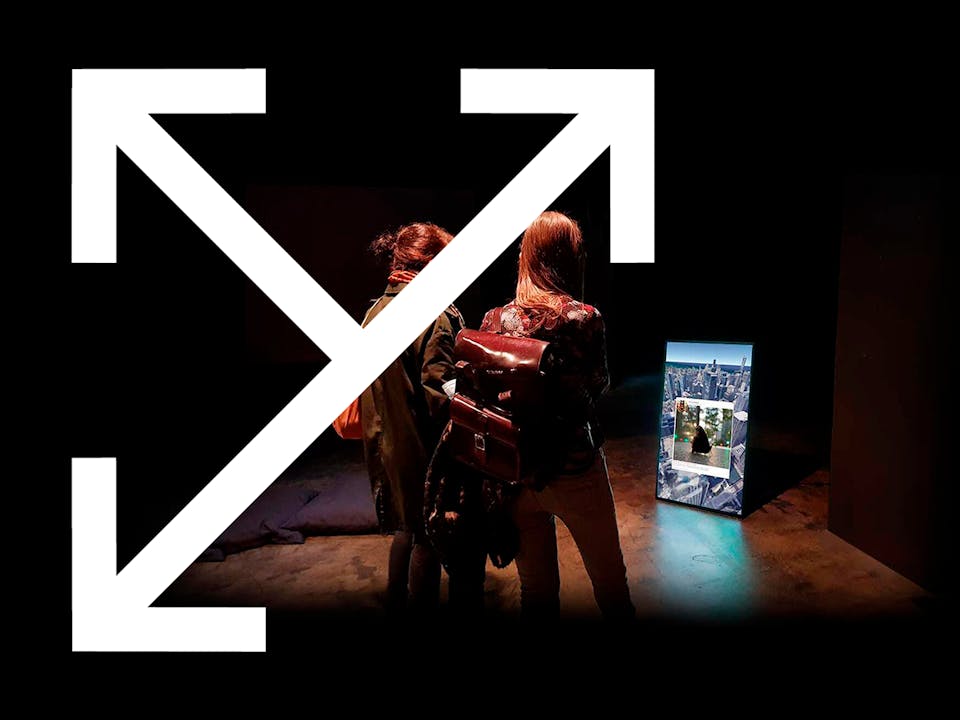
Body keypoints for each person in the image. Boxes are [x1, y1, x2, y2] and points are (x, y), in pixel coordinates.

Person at [479, 210, 634, 620]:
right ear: (569, 257)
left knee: (536, 594)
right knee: (611, 588)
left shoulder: (493, 319)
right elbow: (599, 383)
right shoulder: (583, 318)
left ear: (528, 256)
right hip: (574, 468)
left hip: (516, 472)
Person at [360, 222, 464, 616]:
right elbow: (440, 397)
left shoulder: (374, 312)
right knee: (428, 537)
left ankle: (394, 600)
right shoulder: (433, 316)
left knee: (406, 527)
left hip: (385, 447)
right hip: (422, 450)